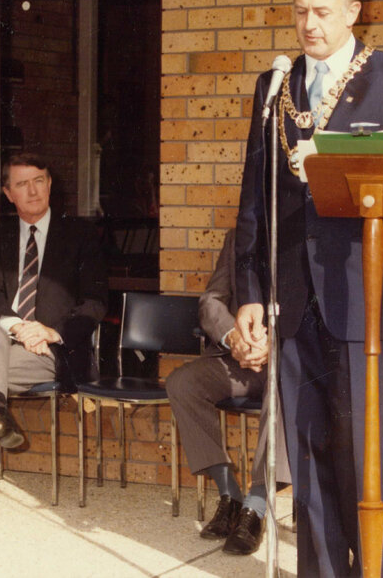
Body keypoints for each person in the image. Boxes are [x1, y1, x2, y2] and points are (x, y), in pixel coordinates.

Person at [234, 0, 383, 576]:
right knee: (305, 455)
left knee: (359, 451)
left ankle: (372, 570)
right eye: (300, 10)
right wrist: (249, 290)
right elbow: (255, 196)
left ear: (355, 11)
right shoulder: (273, 86)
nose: (309, 24)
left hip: (360, 293)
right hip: (291, 295)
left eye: (323, 12)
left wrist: (337, 157)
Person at [0, 152, 108, 528]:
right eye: (22, 184)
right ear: (7, 193)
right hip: (3, 342)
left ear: (49, 184)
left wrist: (49, 331)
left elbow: (95, 302)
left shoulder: (80, 235)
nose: (33, 190)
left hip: (51, 351)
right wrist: (16, 327)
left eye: (39, 180)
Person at [165, 228, 289, 555]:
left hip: (286, 363)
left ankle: (256, 507)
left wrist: (271, 345)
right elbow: (211, 300)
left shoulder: (310, 232)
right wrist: (233, 337)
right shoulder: (239, 237)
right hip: (238, 357)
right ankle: (229, 493)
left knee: (283, 390)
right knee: (182, 382)